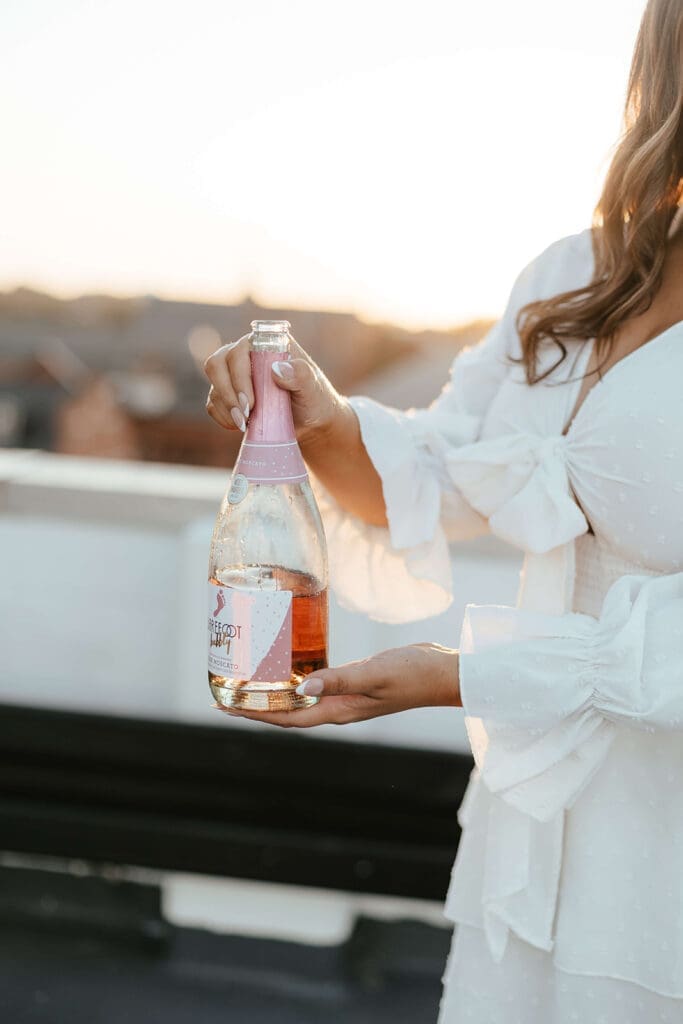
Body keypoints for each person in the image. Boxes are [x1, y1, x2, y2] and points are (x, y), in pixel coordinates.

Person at [203, 1, 683, 1019]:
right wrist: (318, 413)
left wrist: (462, 676)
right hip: (533, 843)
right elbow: (446, 467)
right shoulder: (579, 271)